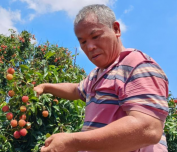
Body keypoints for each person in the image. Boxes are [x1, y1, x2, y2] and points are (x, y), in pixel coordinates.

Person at [34, 4, 169, 152]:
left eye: (95, 36)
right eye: (83, 42)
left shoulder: (137, 65)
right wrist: (45, 87)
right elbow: (75, 89)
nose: (90, 47)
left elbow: (149, 129)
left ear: (116, 30)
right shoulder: (96, 75)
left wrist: (73, 141)